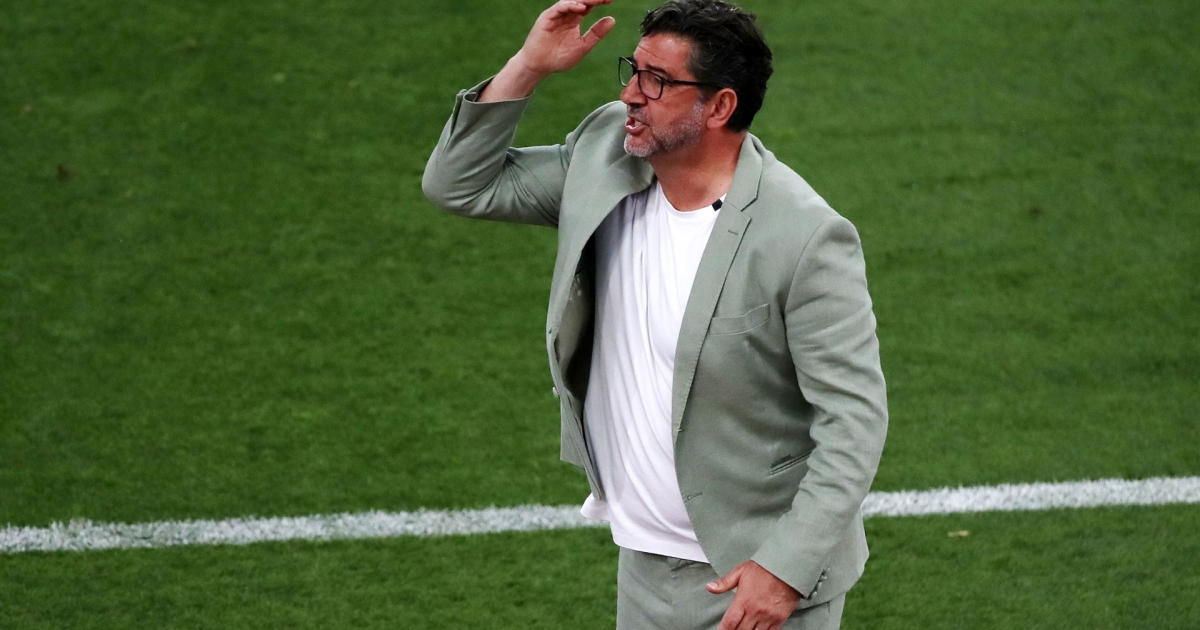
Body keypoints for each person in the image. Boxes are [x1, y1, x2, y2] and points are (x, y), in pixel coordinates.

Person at [421, 1, 887, 628]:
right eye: (633, 71)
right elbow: (458, 184)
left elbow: (854, 421)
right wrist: (528, 66)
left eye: (658, 81)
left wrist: (786, 569)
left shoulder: (803, 237)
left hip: (753, 580)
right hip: (642, 567)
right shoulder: (605, 155)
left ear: (720, 107)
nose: (630, 95)